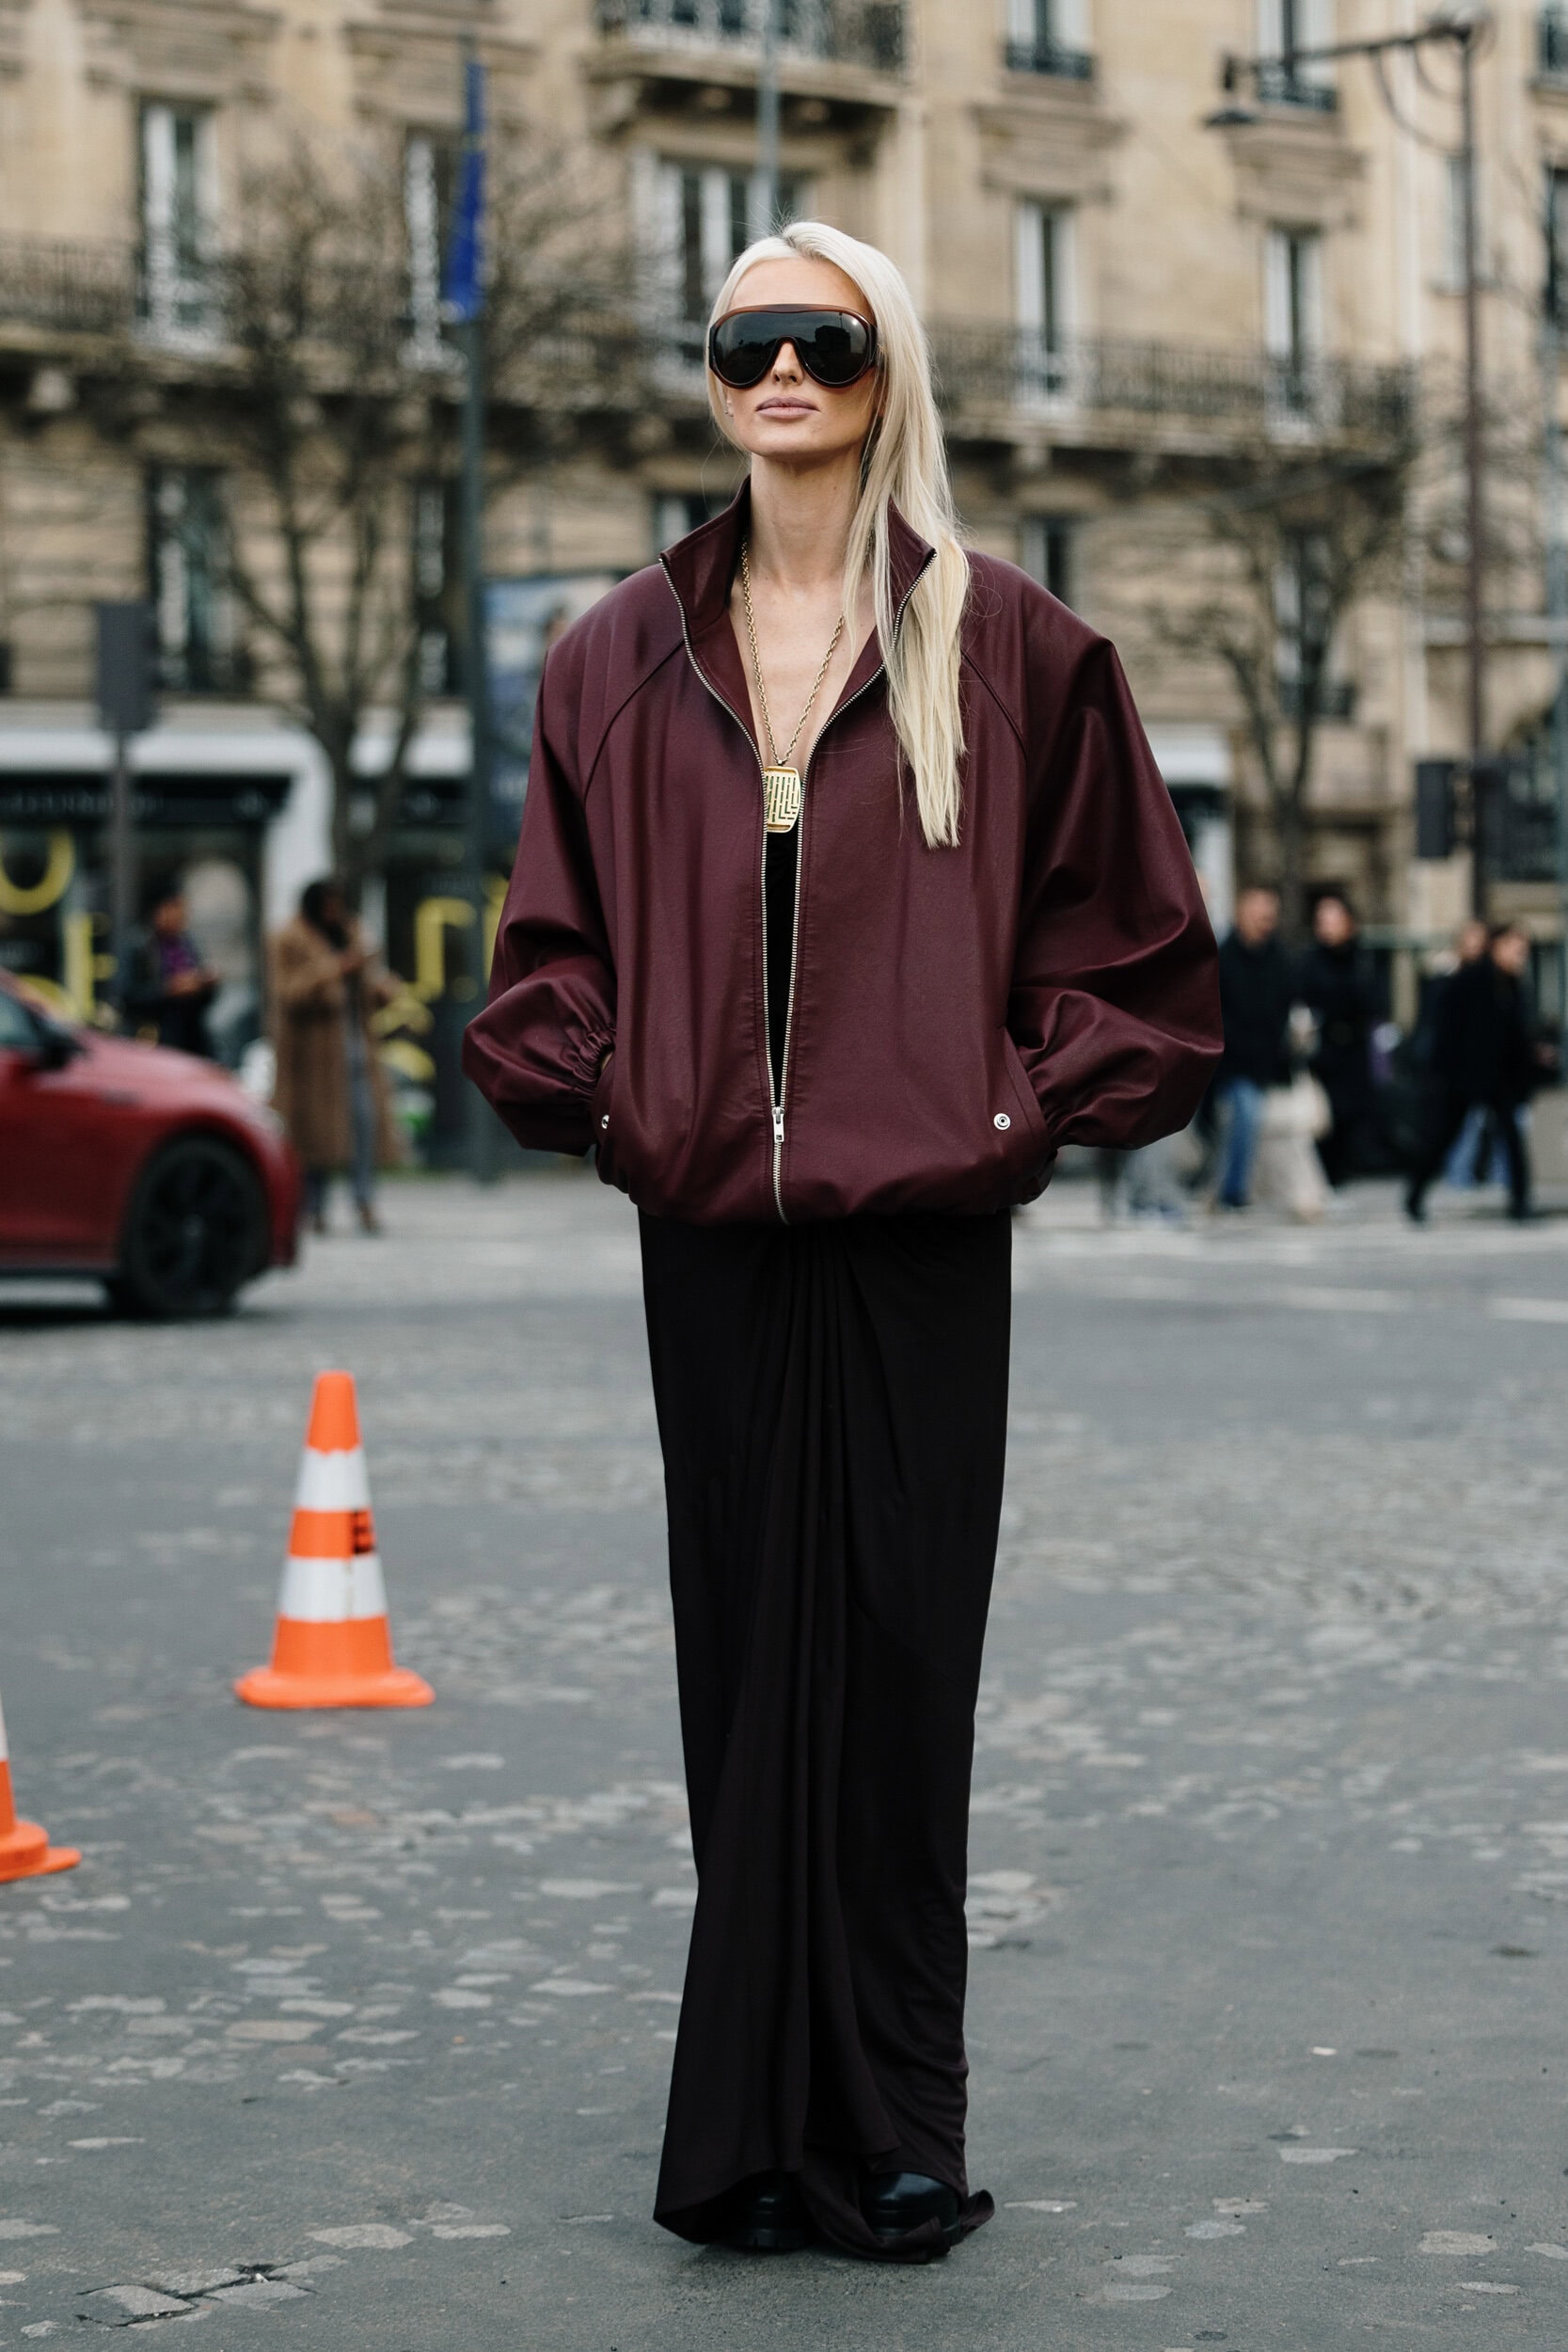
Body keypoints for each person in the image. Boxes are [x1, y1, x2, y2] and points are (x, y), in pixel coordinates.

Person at [464, 221, 1220, 2265]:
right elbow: (547, 951)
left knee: (895, 1662)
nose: (780, 368)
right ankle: (740, 2134)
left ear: (888, 371)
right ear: (708, 377)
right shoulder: (615, 652)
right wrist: (618, 1101)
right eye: (744, 340)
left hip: (915, 1240)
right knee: (740, 1671)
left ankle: (888, 2120)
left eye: (825, 337)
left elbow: (1140, 957)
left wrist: (1007, 1109)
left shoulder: (1018, 650)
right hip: (707, 1227)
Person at [268, 879, 400, 1235]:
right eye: (328, 905)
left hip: (356, 1051)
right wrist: (335, 969)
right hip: (314, 1060)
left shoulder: (351, 933)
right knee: (317, 1137)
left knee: (363, 1128)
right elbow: (287, 993)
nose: (334, 913)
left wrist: (381, 989)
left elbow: (366, 986)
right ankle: (315, 1209)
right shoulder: (288, 939)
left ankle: (365, 1202)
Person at [1404, 922, 1541, 1223]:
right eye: (1516, 948)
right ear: (1497, 946)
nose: (1521, 956)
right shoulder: (1469, 981)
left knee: (1512, 1139)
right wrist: (1446, 1076)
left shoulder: (1514, 985)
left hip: (1500, 1079)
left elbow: (1516, 1038)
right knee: (1445, 1137)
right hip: (1465, 1079)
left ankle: (1520, 1202)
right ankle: (1414, 1195)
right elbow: (1448, 1034)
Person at [1213, 885, 1292, 1209]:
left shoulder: (1280, 958)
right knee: (1245, 1116)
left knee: (1253, 1123)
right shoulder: (1224, 956)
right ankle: (1233, 1189)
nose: (1265, 921)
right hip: (1231, 1060)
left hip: (1266, 1058)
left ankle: (1233, 1185)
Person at [1295, 890, 1382, 1188]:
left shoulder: (1363, 958)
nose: (1327, 926)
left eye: (1333, 918)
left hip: (1354, 1048)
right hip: (1323, 1049)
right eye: (1322, 919)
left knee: (1352, 1116)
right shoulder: (1310, 961)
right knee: (1323, 1119)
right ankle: (1325, 1179)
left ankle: (1339, 1178)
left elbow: (1374, 1001)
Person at [122, 882, 218, 1057]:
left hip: (191, 1040)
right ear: (159, 910)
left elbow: (204, 1002)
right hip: (157, 1041)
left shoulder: (187, 943)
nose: (181, 915)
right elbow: (129, 996)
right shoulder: (140, 945)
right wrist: (169, 989)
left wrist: (204, 985)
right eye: (175, 907)